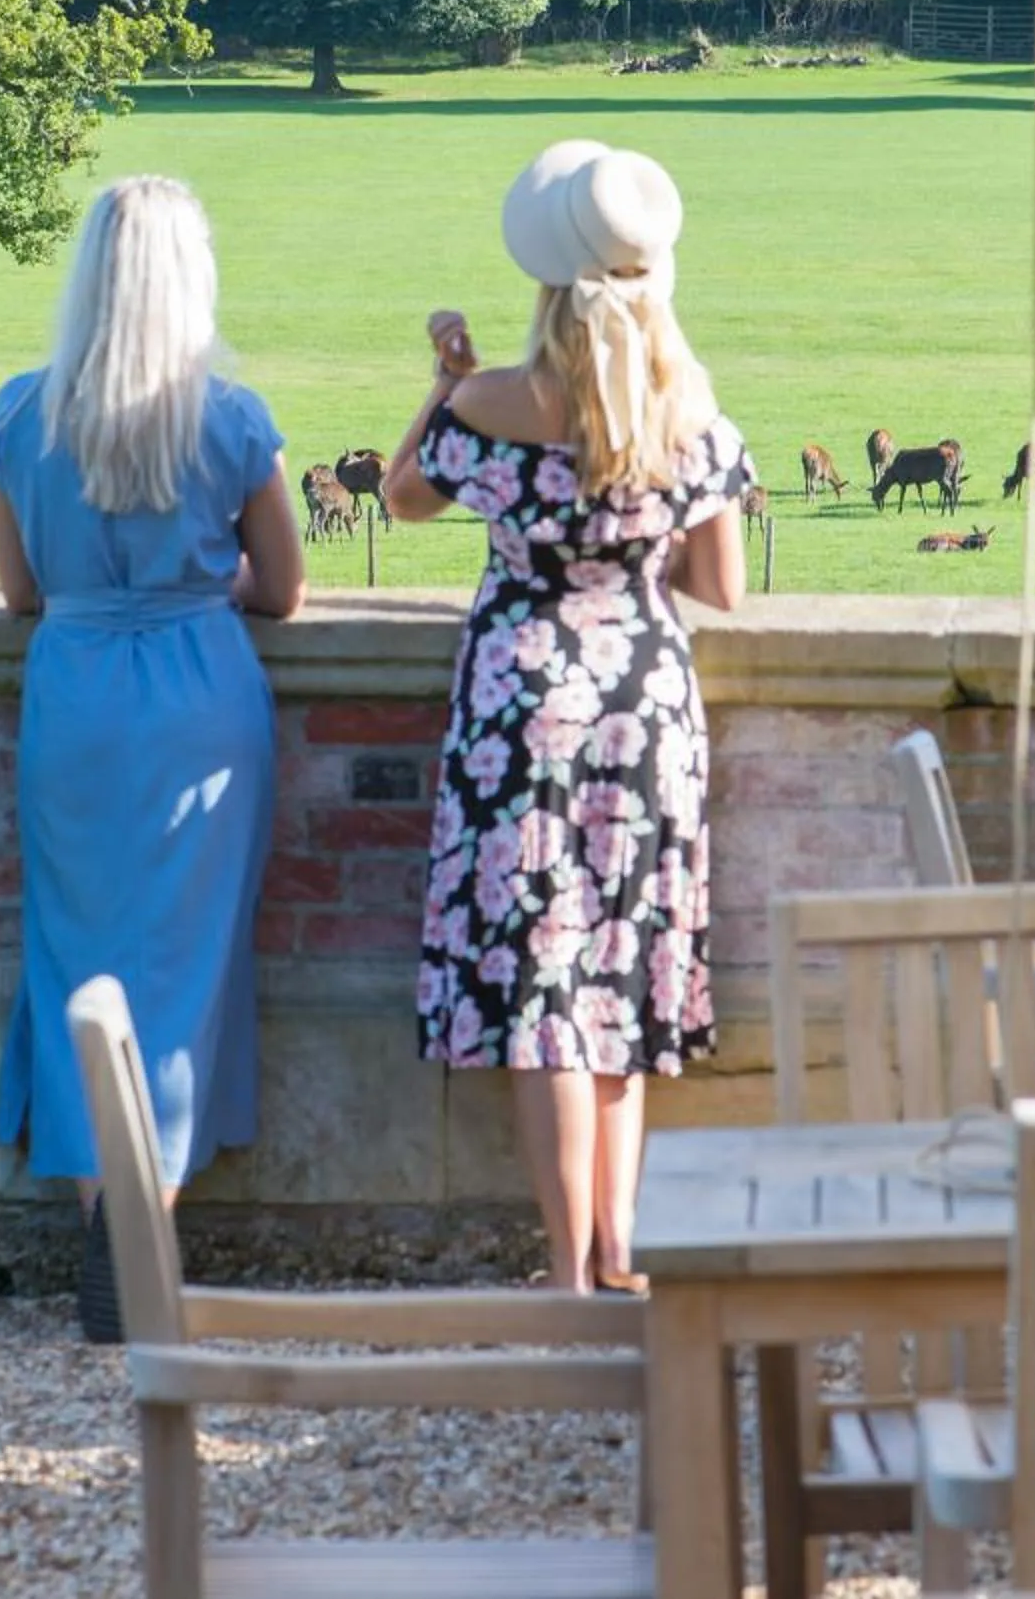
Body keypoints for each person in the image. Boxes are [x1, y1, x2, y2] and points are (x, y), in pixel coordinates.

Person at [383, 140, 752, 1295]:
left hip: (518, 704)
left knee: (543, 981)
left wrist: (447, 374)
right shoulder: (689, 410)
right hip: (644, 703)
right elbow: (721, 587)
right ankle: (622, 1251)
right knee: (622, 974)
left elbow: (401, 500)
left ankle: (563, 1267)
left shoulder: (494, 405)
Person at [0, 175, 306, 1343]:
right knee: (181, 972)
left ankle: (111, 1228)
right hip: (197, 703)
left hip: (72, 700)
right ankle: (146, 1230)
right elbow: (283, 588)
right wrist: (198, 579)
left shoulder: (21, 417)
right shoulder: (229, 419)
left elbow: (19, 590)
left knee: (78, 966)